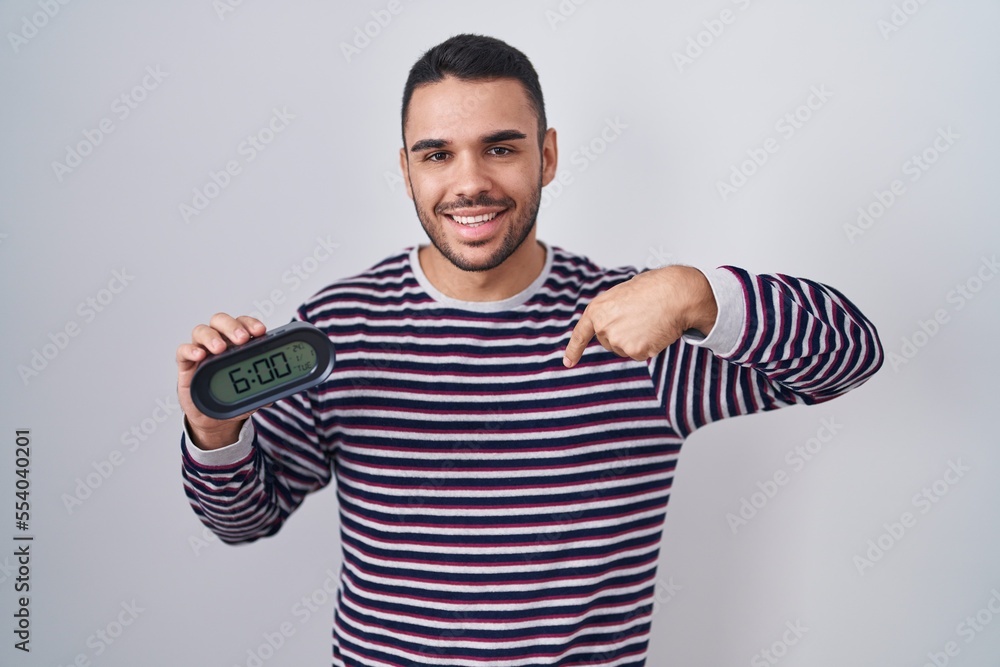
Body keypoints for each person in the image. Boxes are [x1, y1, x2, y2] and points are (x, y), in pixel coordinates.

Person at [177, 33, 883, 667]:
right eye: (437, 154)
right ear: (406, 170)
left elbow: (849, 356)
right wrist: (214, 432)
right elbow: (244, 519)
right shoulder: (336, 326)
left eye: (501, 147)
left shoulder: (642, 323)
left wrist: (701, 294)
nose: (469, 181)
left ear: (546, 155)